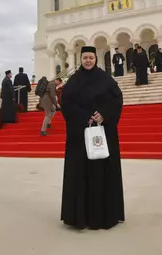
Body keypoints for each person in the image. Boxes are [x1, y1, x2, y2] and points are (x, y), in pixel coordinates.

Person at [60, 46, 125, 230]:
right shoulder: (73, 81)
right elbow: (66, 103)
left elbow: (117, 99)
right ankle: (79, 217)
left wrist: (104, 114)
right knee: (80, 174)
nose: (88, 60)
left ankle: (103, 216)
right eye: (85, 58)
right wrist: (85, 117)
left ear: (96, 59)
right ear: (81, 59)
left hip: (102, 134)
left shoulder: (105, 79)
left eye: (91, 57)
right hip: (79, 137)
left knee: (101, 173)